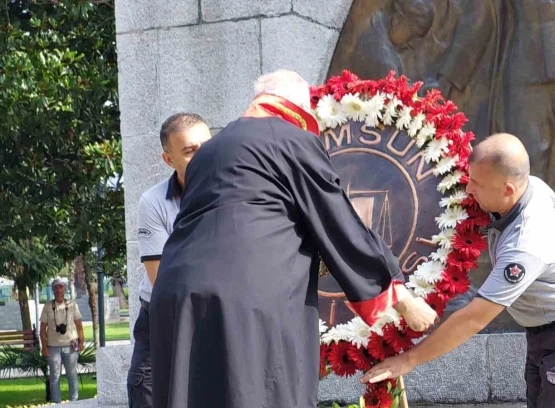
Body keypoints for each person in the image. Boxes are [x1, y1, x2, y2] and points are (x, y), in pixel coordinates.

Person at [149, 69, 438, 408]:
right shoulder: (290, 138)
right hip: (245, 299)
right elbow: (338, 219)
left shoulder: (211, 151)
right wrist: (401, 297)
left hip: (178, 293)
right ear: (298, 107)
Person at [362, 134, 555, 408]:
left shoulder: (528, 243)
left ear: (508, 189)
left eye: (476, 183)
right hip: (545, 332)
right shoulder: (527, 185)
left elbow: (473, 320)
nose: (469, 190)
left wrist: (408, 360)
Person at [126, 113, 212, 408]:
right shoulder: (153, 202)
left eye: (206, 147)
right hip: (162, 317)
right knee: (148, 396)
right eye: (189, 151)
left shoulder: (237, 194)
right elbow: (162, 279)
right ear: (168, 159)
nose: (202, 156)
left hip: (217, 316)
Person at [40, 278, 84, 403]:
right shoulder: (48, 306)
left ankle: (74, 402)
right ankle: (56, 403)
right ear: (53, 290)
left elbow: (79, 325)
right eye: (56, 287)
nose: (58, 290)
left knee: (72, 374)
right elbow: (42, 328)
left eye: (61, 287)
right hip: (53, 346)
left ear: (65, 288)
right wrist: (44, 346)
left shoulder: (72, 304)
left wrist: (81, 341)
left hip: (70, 345)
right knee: (55, 376)